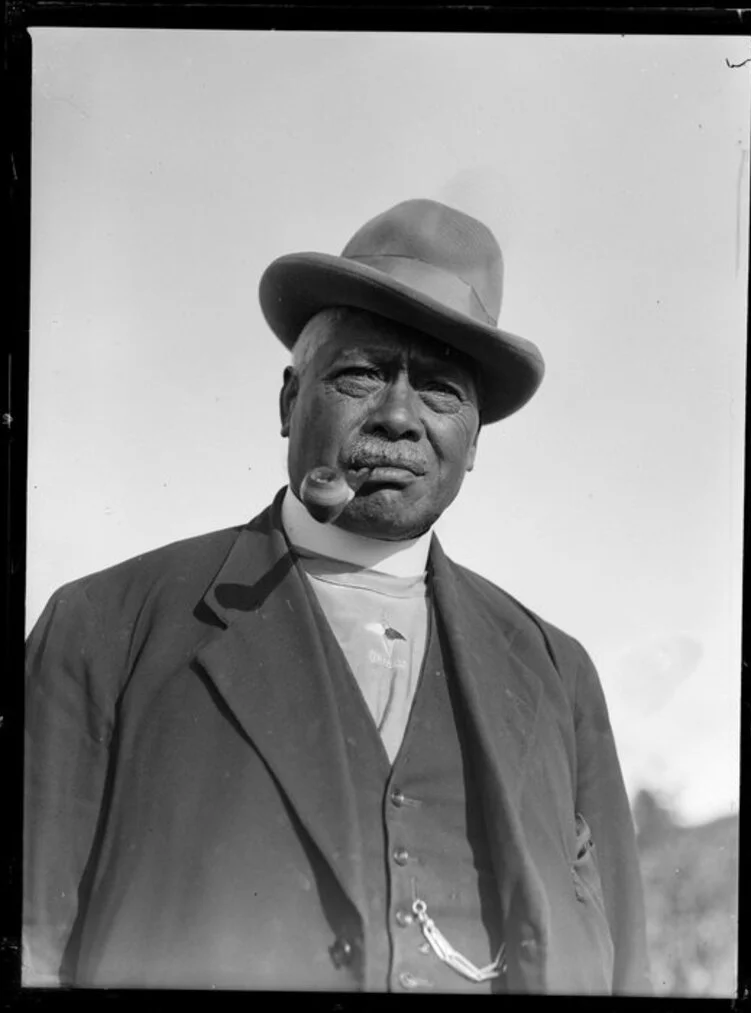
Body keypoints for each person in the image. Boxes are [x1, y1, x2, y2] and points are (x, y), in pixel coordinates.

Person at [24, 198, 650, 994]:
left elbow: (624, 967)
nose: (396, 416)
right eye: (360, 373)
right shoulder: (104, 628)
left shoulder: (557, 673)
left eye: (440, 390)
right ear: (290, 402)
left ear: (474, 443)